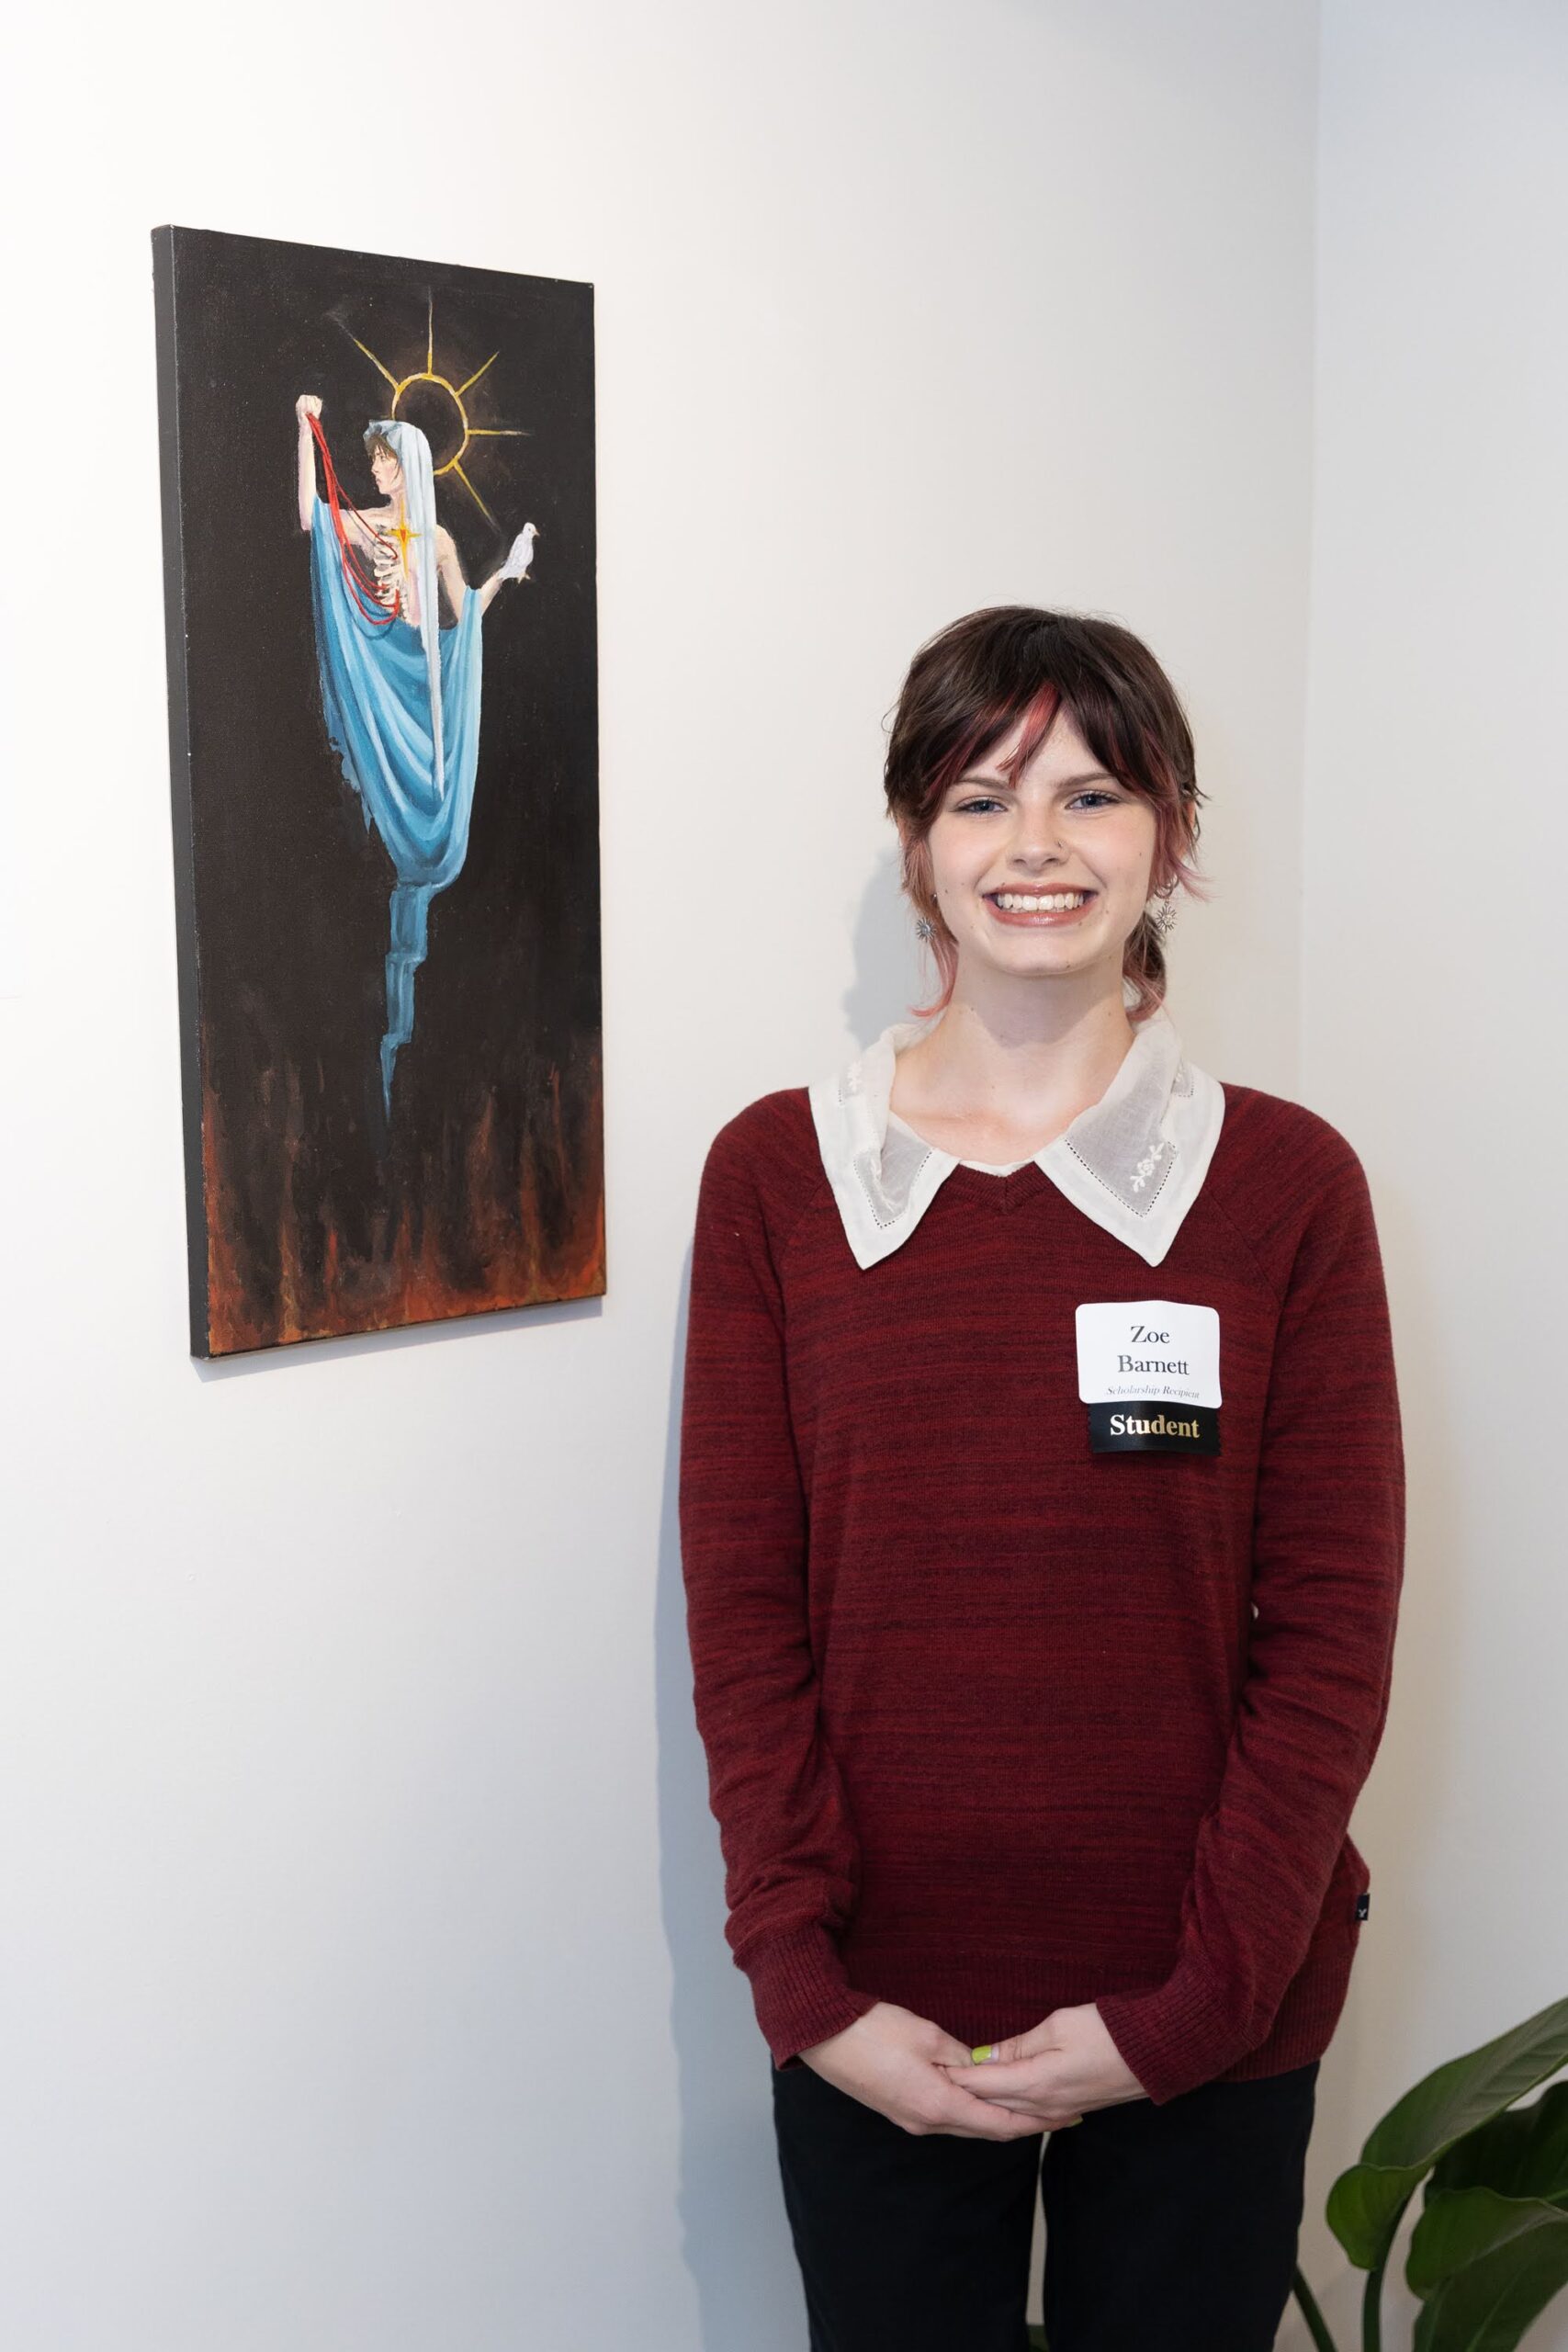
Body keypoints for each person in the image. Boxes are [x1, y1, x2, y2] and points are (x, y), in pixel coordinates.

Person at [677, 606, 1405, 2351]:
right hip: (877, 2018)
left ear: (1170, 836)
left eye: (1090, 795)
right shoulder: (777, 1177)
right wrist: (806, 1990)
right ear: (914, 841)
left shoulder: (1286, 1187)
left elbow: (1329, 1633)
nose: (1036, 846)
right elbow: (745, 1621)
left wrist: (1192, 2010)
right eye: (981, 798)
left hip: (1205, 2014)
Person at [294, 394, 536, 1114]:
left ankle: (406, 1047)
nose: (375, 470)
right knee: (383, 853)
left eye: (385, 462)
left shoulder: (436, 541)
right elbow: (310, 517)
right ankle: (390, 1044)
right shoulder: (365, 523)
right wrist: (304, 429)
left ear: (410, 469)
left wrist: (506, 573)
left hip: (422, 701)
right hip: (381, 684)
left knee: (421, 858)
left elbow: (464, 621)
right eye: (373, 461)